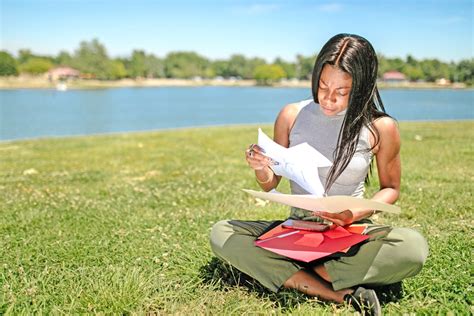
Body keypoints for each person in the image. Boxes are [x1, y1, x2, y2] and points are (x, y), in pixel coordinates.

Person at [210, 33, 428, 315]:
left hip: (351, 230)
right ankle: (335, 291)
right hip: (298, 228)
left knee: (412, 248)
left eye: (342, 91)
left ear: (362, 86)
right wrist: (262, 168)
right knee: (222, 233)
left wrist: (351, 213)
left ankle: (294, 273)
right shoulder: (292, 114)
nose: (329, 99)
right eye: (323, 86)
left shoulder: (380, 128)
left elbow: (391, 188)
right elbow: (270, 184)